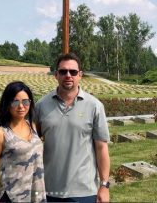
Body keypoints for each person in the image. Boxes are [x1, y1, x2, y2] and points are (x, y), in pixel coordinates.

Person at [35, 53, 110, 203]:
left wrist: (104, 185)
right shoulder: (41, 106)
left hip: (84, 191)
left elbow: (101, 148)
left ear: (80, 75)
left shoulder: (95, 106)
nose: (68, 75)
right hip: (49, 189)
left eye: (73, 72)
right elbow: (31, 143)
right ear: (56, 75)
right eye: (63, 71)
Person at [0, 81, 46, 203]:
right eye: (15, 102)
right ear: (7, 103)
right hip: (11, 196)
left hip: (36, 195)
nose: (21, 106)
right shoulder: (0, 133)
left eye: (26, 102)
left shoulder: (33, 126)